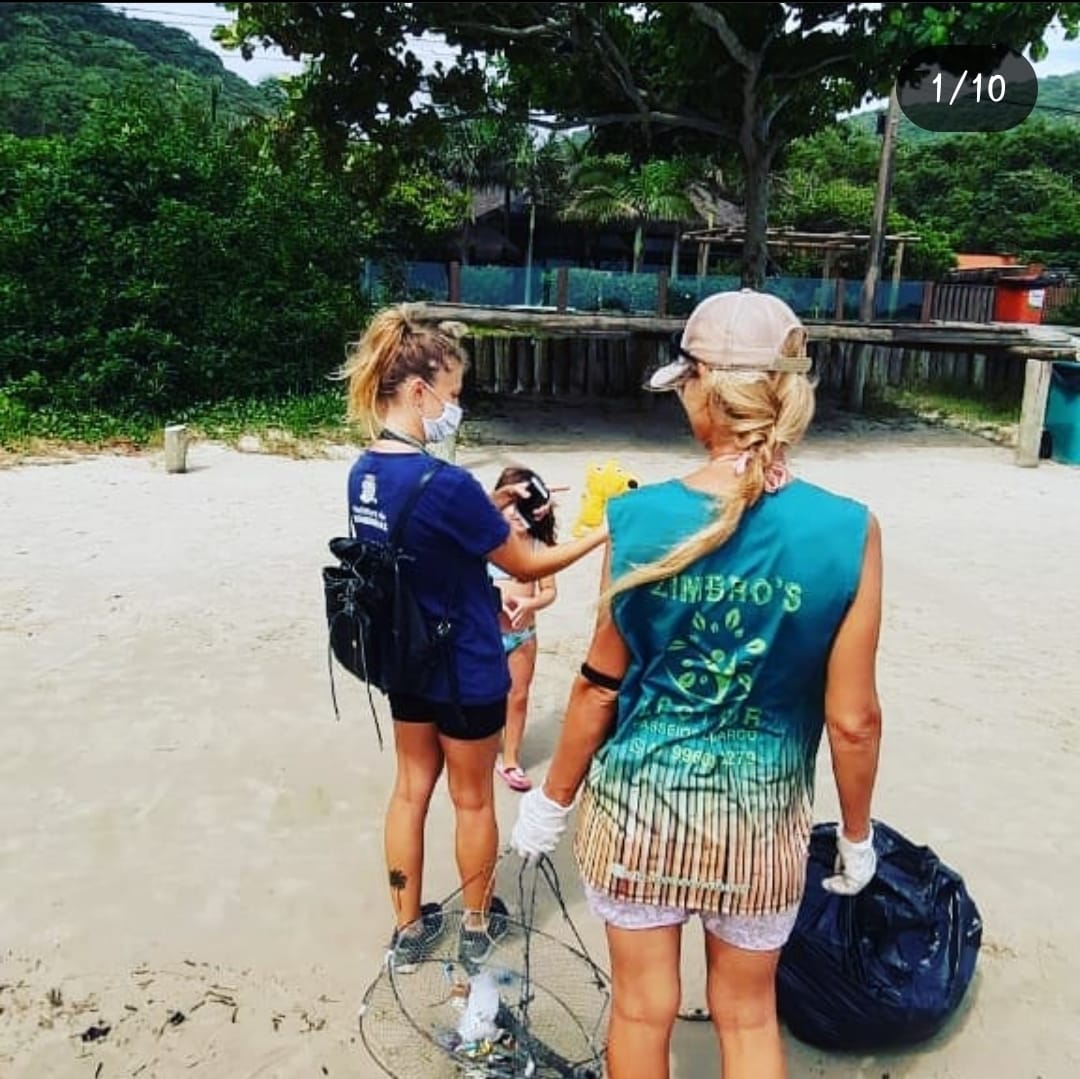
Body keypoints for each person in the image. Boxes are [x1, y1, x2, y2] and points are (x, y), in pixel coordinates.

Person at [511, 289, 884, 1079]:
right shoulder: (850, 528)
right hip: (762, 828)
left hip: (640, 813)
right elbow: (853, 720)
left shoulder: (639, 517)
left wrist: (552, 801)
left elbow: (598, 688)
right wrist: (856, 837)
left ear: (703, 387)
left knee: (643, 1007)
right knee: (748, 1017)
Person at [339, 304, 606, 968]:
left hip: (403, 660)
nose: (455, 408)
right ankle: (477, 925)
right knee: (470, 797)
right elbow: (527, 564)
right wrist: (602, 531)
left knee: (409, 789)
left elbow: (415, 537)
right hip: (463, 663)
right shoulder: (448, 481)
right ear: (419, 389)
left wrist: (485, 511)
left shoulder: (364, 471)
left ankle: (406, 928)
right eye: (452, 395)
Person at [488, 466, 560, 793]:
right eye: (511, 505)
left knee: (517, 697)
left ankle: (512, 758)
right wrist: (493, 601)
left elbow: (548, 591)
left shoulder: (537, 546)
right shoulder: (489, 545)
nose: (517, 515)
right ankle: (482, 746)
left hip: (522, 637)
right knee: (481, 696)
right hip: (486, 634)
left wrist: (532, 605)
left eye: (525, 508)